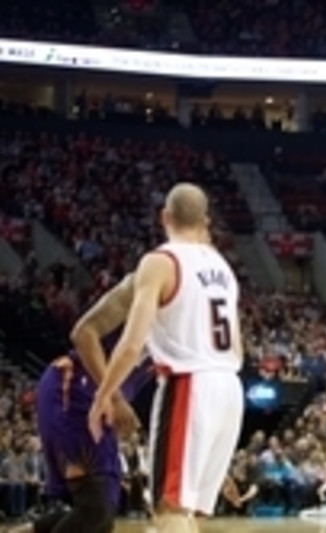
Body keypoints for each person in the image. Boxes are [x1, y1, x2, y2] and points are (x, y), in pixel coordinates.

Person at [89, 183, 243, 533]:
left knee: (168, 507)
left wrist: (103, 396)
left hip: (190, 384)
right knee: (188, 512)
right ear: (205, 220)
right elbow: (238, 348)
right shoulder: (222, 266)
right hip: (229, 384)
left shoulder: (160, 261)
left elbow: (131, 343)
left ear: (165, 217)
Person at [10, 273, 151, 533]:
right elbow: (83, 333)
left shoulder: (185, 324)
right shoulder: (142, 283)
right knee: (95, 510)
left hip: (97, 401)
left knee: (102, 516)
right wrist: (116, 397)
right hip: (72, 388)